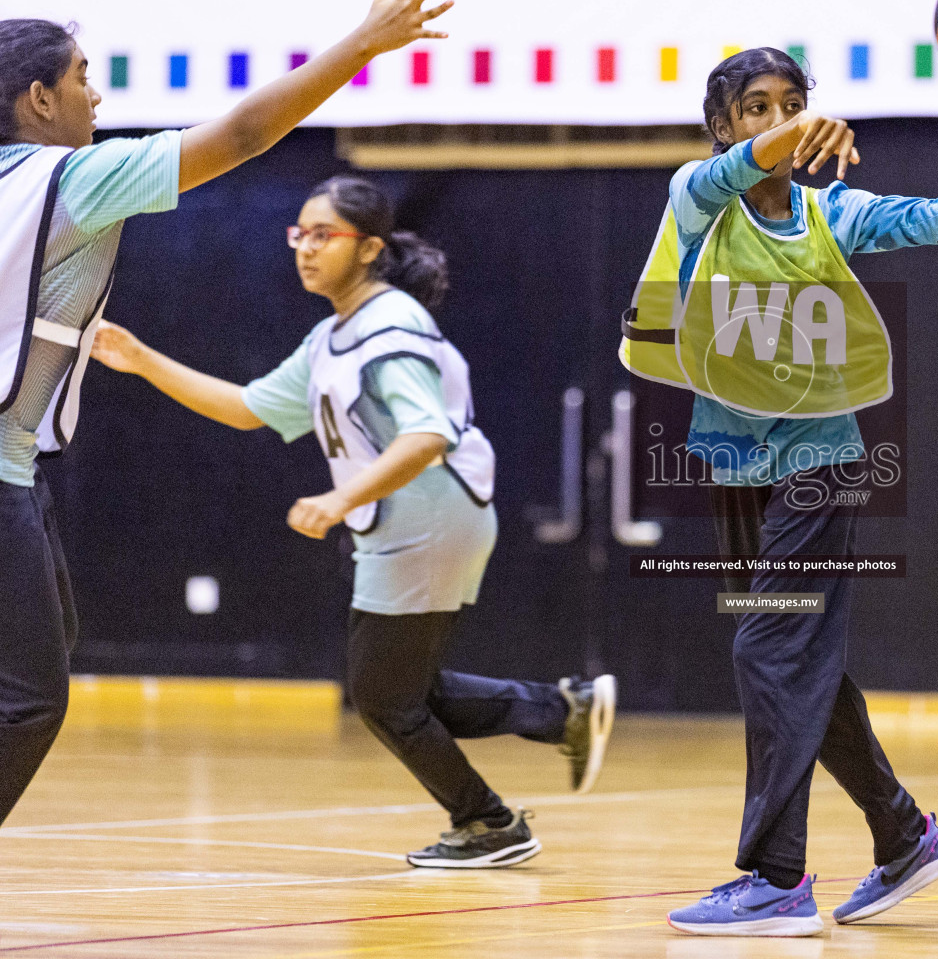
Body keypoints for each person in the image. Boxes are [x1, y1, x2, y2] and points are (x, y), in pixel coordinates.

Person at [621, 48, 938, 937]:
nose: (776, 119)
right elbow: (719, 182)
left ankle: (777, 878)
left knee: (767, 653)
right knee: (797, 659)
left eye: (792, 103)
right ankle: (905, 836)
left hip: (823, 459)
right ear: (725, 126)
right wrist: (785, 135)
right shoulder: (697, 196)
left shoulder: (833, 212)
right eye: (757, 108)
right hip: (739, 461)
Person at [0, 0, 452, 828]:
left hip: (21, 467)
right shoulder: (73, 178)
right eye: (83, 79)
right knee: (27, 700)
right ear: (39, 100)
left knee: (43, 654)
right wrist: (364, 42)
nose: (98, 99)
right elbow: (242, 134)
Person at [91, 175, 616, 868]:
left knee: (383, 697)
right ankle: (560, 713)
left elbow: (425, 436)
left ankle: (490, 822)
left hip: (426, 514)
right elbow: (249, 407)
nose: (305, 249)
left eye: (323, 235)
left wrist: (338, 502)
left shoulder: (388, 330)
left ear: (369, 248)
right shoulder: (334, 335)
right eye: (298, 234)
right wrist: (140, 361)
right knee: (401, 690)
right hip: (415, 517)